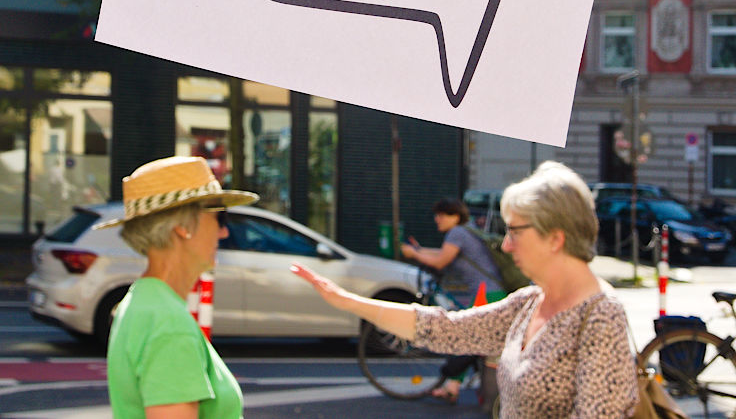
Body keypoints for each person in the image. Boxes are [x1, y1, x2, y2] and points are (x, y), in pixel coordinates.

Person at [293, 161, 638, 418]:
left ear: (555, 238)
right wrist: (348, 302)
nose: (505, 245)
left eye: (515, 232)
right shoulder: (530, 303)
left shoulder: (601, 316)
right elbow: (446, 329)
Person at [95, 155, 259, 419]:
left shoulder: (142, 302)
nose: (224, 232)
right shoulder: (168, 322)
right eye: (220, 216)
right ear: (182, 226)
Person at [399, 197, 504, 403]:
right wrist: (419, 251)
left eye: (441, 215)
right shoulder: (464, 232)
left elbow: (440, 261)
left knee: (466, 338)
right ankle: (452, 386)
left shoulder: (457, 233)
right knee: (471, 340)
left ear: (454, 216)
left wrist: (414, 253)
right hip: (488, 292)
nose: (436, 219)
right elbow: (442, 253)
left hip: (487, 294)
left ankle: (461, 384)